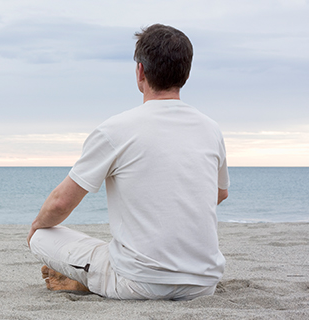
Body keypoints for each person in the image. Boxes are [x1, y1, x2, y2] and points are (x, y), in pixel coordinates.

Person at [27, 23, 230, 300]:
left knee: (42, 236)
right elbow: (219, 194)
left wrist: (37, 226)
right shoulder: (210, 129)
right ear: (186, 73)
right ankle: (93, 279)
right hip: (204, 284)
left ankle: (89, 281)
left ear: (141, 71)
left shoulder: (116, 130)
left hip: (139, 283)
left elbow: (62, 203)